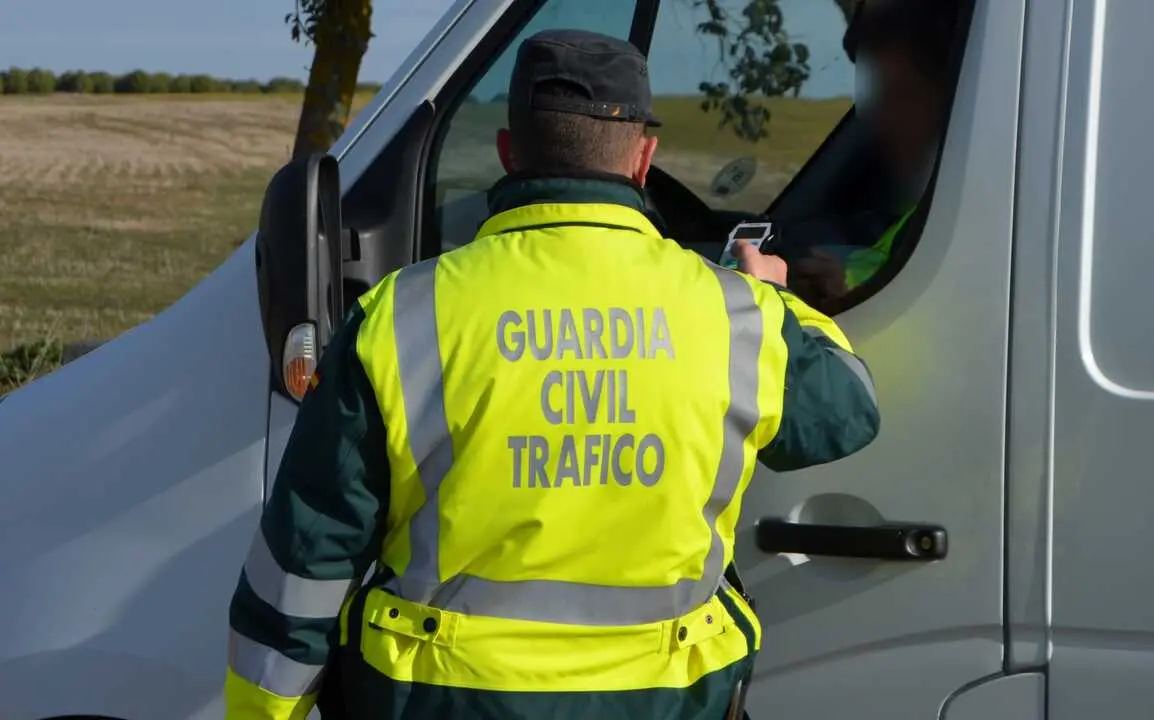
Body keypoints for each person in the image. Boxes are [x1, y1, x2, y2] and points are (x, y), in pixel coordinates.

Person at [224, 28, 880, 720]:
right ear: (644, 159)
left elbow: (304, 561)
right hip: (668, 701)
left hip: (441, 701)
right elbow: (849, 408)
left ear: (510, 153)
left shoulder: (402, 316)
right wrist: (772, 296)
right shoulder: (738, 319)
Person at [789, 0, 955, 303]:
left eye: (905, 95)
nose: (884, 117)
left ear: (952, 101)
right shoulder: (924, 213)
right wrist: (841, 285)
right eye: (879, 95)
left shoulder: (973, 214)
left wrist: (847, 294)